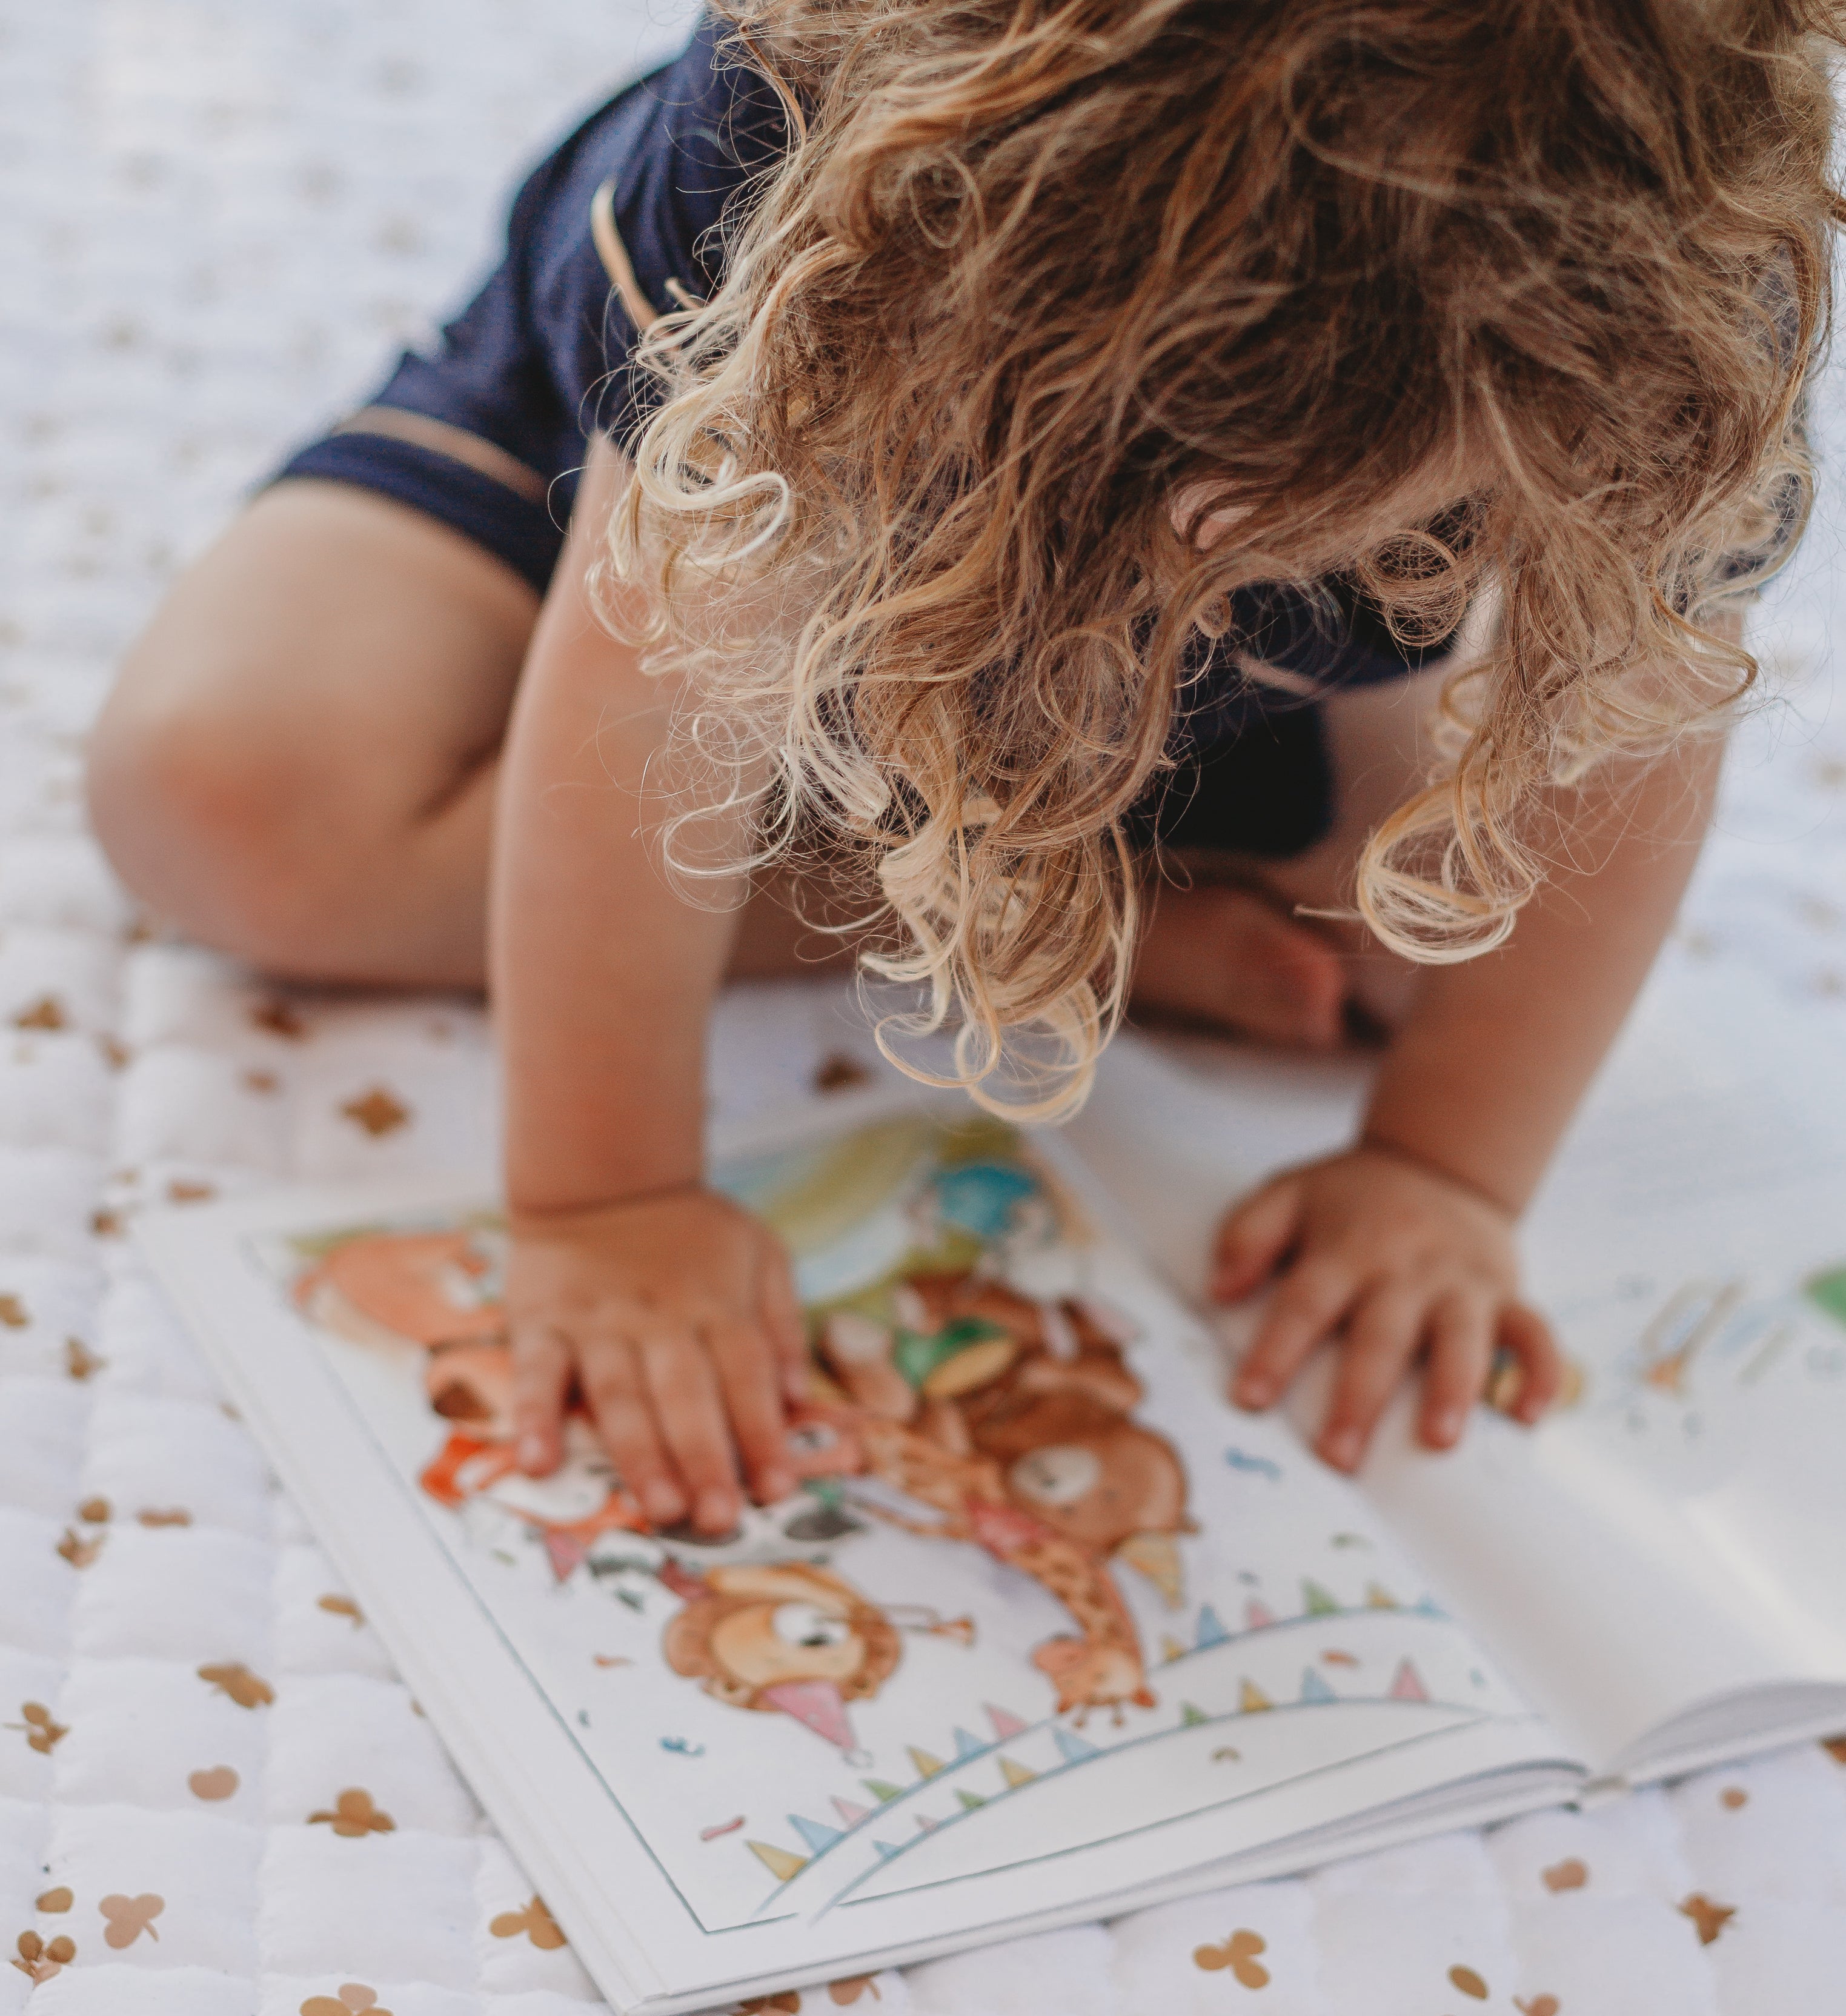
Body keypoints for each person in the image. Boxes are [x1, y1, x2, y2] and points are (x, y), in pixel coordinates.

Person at [86, 0, 1839, 1536]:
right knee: (223, 798)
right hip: (655, 502)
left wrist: (1447, 1173)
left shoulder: (1682, 283)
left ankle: (1040, 872)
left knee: (1434, 952)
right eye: (1168, 468)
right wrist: (608, 1202)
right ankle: (1056, 905)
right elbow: (644, 690)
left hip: (1188, 684)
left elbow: (1637, 728)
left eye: (1268, 504)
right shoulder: (811, 117)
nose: (1190, 532)